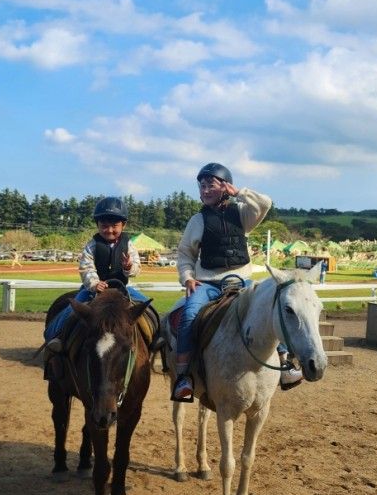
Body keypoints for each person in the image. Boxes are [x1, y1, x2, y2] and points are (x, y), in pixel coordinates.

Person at [170, 163, 302, 401]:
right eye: (202, 186)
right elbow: (185, 255)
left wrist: (239, 192)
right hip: (207, 283)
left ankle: (285, 364)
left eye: (211, 185)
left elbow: (265, 203)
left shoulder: (242, 213)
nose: (205, 190)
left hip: (242, 281)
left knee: (270, 306)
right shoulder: (197, 221)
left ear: (225, 186)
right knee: (189, 315)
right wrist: (187, 278)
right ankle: (184, 377)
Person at [44, 196, 148, 349]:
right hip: (94, 290)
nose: (110, 230)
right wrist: (94, 284)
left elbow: (136, 269)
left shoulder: (129, 245)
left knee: (147, 309)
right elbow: (86, 268)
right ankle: (55, 336)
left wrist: (128, 267)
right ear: (97, 225)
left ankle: (155, 338)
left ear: (123, 225)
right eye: (104, 226)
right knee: (70, 311)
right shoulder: (92, 246)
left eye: (114, 226)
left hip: (123, 289)